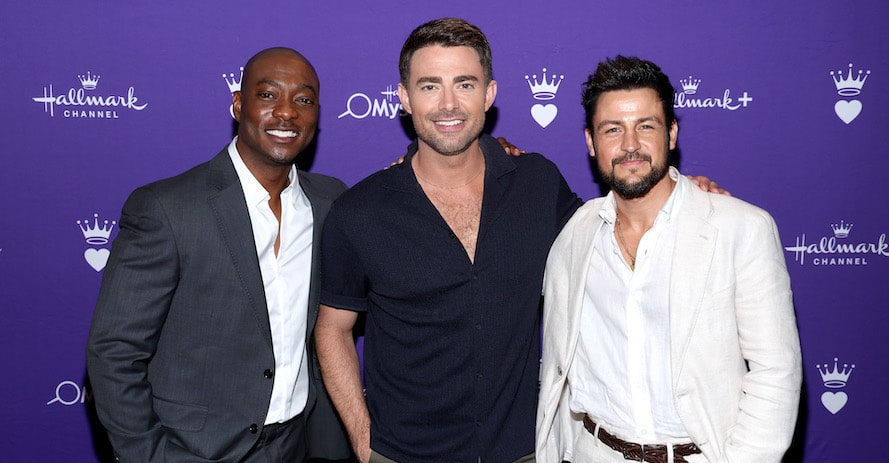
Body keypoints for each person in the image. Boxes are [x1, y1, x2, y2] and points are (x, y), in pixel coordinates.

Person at [314, 19, 724, 463]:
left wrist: (679, 194)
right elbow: (333, 327)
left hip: (525, 451)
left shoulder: (537, 184)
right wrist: (361, 437)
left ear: (489, 95)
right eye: (430, 86)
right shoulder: (361, 210)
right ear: (404, 97)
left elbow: (615, 229)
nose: (448, 104)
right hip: (402, 453)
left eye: (465, 84)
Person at [86, 47, 351, 463]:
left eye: (304, 100)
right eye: (268, 95)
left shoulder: (330, 202)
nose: (287, 113)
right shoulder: (168, 208)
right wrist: (151, 455)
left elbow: (394, 218)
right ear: (238, 104)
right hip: (192, 451)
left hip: (295, 446)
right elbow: (115, 350)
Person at [536, 56, 802, 463]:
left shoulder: (740, 229)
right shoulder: (576, 233)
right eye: (612, 129)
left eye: (646, 126)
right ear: (591, 142)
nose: (630, 145)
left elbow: (775, 371)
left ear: (672, 133)